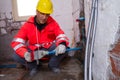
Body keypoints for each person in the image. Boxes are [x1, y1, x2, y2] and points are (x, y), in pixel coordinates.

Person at [11, 0, 69, 76]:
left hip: (48, 50)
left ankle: (53, 65)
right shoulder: (28, 25)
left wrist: (62, 44)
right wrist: (25, 54)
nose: (44, 17)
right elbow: (17, 42)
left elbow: (60, 35)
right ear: (37, 11)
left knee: (65, 48)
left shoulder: (52, 23)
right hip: (34, 53)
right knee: (16, 56)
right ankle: (34, 66)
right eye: (42, 13)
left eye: (47, 14)